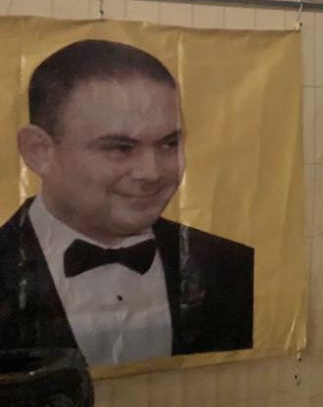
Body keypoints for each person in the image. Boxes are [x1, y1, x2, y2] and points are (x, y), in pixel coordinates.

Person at [0, 40, 254, 365]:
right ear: (40, 152)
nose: (151, 173)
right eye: (120, 148)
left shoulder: (230, 267)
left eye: (169, 144)